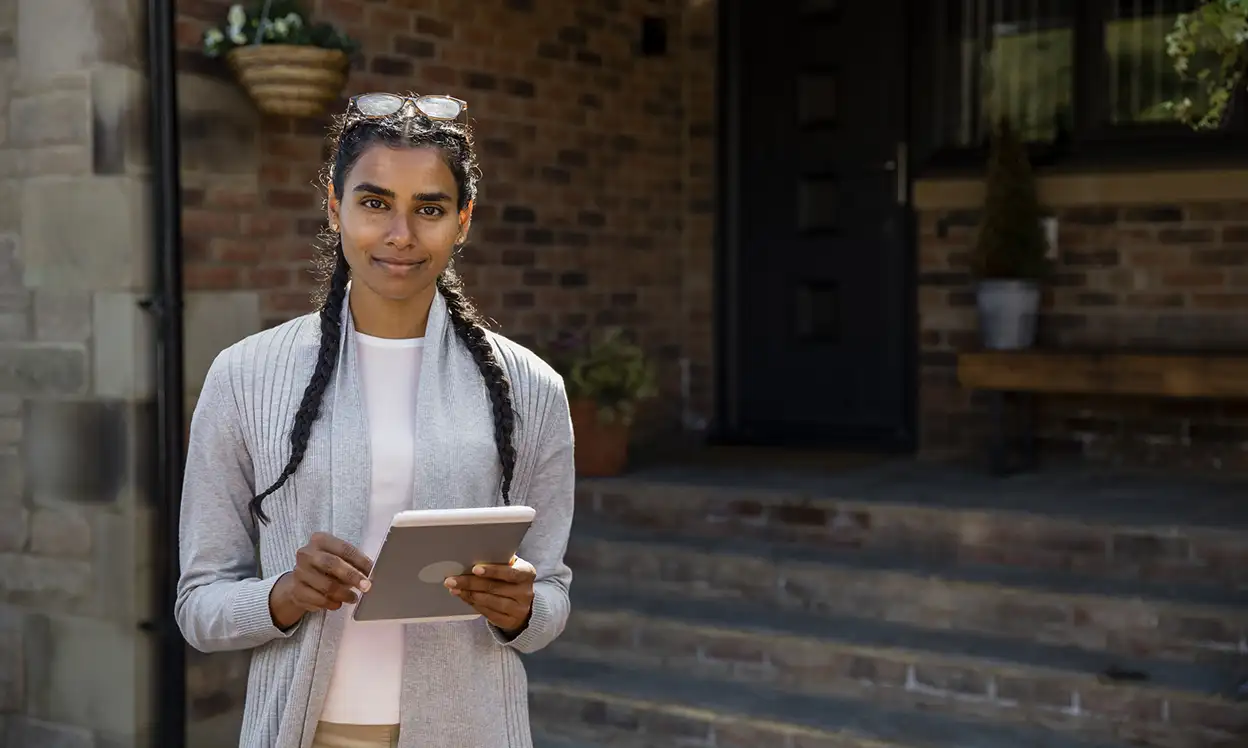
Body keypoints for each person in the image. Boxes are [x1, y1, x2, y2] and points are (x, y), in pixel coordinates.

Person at [174, 92, 575, 748]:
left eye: (430, 209)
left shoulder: (530, 388)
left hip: (470, 731)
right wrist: (284, 594)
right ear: (334, 208)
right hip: (309, 734)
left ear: (464, 220)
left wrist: (524, 609)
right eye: (374, 202)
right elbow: (199, 606)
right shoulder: (245, 377)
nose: (400, 235)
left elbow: (551, 593)